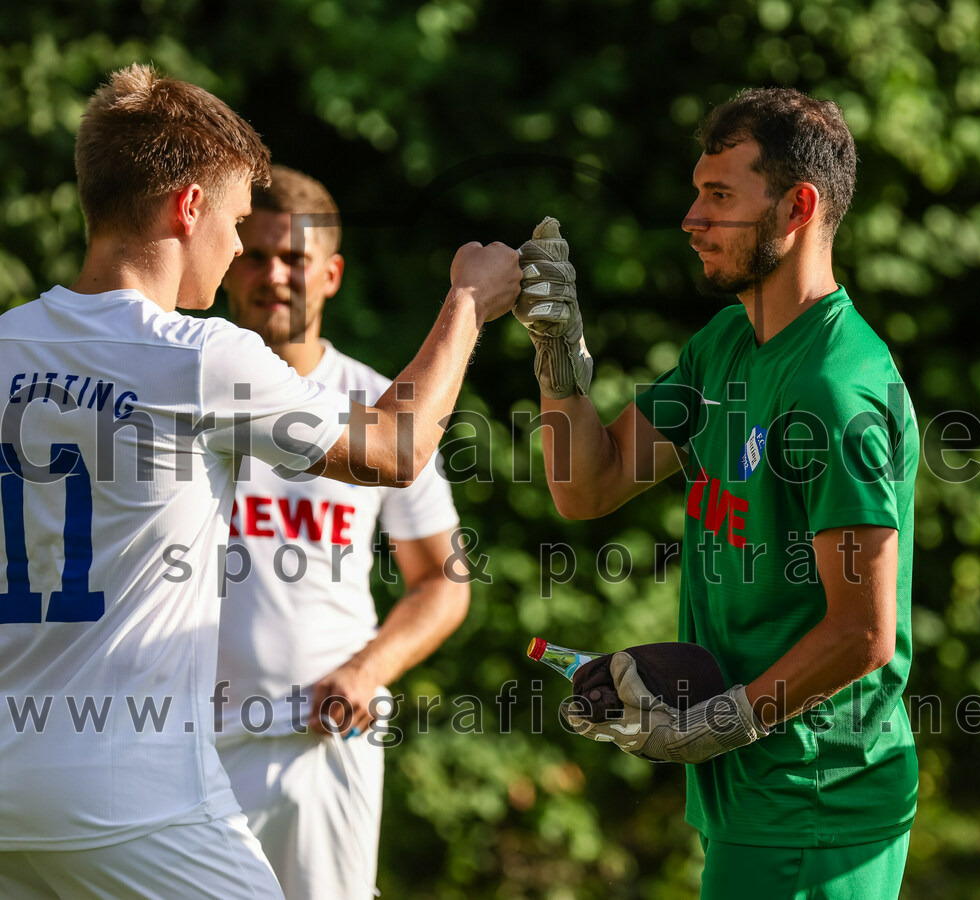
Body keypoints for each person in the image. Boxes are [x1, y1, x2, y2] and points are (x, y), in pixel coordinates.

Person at [0, 64, 519, 899]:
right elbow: (393, 447)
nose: (240, 249)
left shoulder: (8, 345)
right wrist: (467, 302)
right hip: (133, 793)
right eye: (239, 220)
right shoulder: (196, 355)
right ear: (189, 207)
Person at [515, 88, 918, 898]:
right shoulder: (727, 343)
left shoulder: (836, 389)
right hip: (751, 797)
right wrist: (560, 365)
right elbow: (587, 486)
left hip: (818, 804)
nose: (691, 219)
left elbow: (863, 632)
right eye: (699, 192)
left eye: (720, 196)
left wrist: (714, 724)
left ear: (798, 206)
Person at [214, 165, 469, 899]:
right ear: (232, 267)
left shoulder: (380, 407)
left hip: (321, 743)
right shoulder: (186, 384)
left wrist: (369, 670)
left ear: (331, 273)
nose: (274, 276)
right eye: (256, 256)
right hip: (183, 743)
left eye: (294, 259)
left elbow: (443, 584)